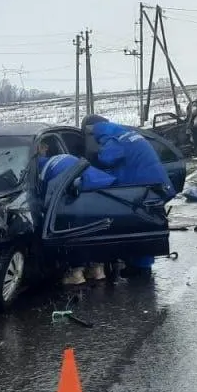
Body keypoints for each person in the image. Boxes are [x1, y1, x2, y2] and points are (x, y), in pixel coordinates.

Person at [82, 115, 175, 277]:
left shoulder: (112, 139)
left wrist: (93, 155)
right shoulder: (125, 133)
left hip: (143, 188)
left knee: (139, 226)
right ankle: (140, 266)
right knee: (145, 225)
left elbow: (107, 158)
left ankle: (140, 268)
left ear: (92, 130)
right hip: (154, 184)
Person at [36, 150, 115, 285]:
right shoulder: (63, 157)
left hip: (77, 192)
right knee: (95, 230)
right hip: (98, 188)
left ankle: (76, 274)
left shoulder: (43, 170)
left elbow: (46, 199)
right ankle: (97, 269)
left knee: (74, 232)